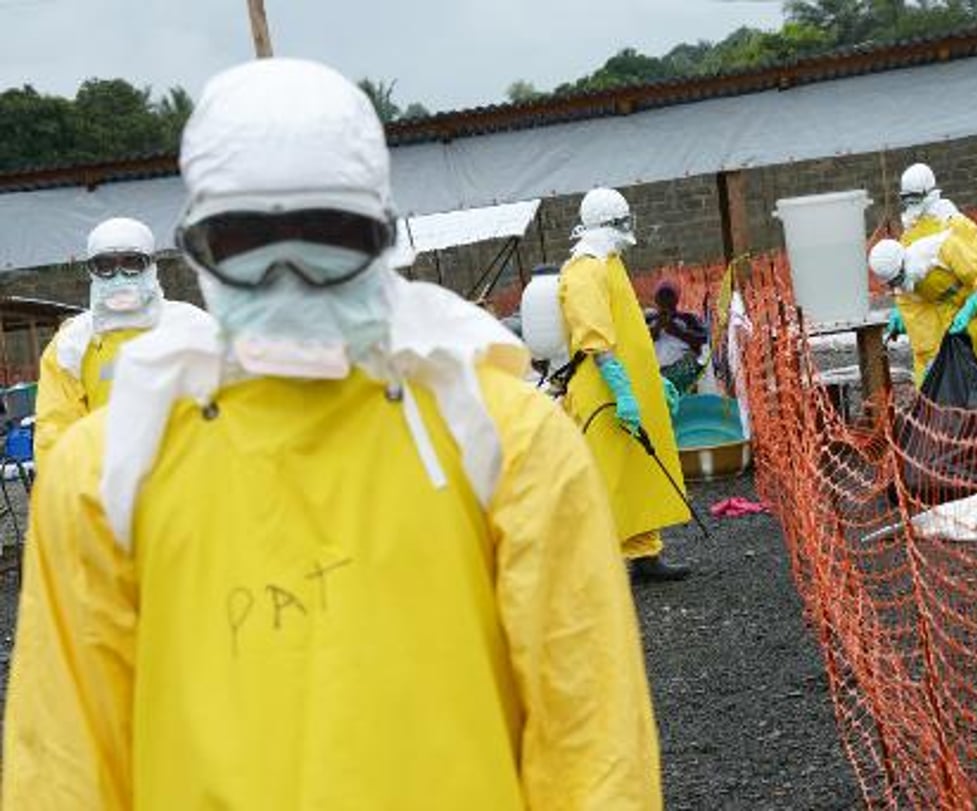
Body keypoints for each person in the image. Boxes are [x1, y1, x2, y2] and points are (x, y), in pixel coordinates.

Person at [3, 58, 661, 810]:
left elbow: (589, 740)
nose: (289, 276)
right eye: (247, 240)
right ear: (198, 251)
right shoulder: (107, 469)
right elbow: (62, 760)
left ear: (381, 235)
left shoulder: (504, 440)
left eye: (327, 236)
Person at [558, 187, 692, 583]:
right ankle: (599, 567)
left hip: (631, 388)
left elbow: (629, 329)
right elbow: (595, 340)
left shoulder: (609, 261)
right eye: (621, 223)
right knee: (607, 477)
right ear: (610, 225)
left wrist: (655, 382)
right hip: (604, 393)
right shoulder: (585, 270)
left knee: (635, 472)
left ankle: (645, 555)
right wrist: (622, 392)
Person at [32, 217, 210, 459]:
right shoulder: (71, 343)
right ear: (92, 271)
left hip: (191, 474)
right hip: (108, 483)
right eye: (105, 266)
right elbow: (55, 430)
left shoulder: (193, 326)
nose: (119, 276)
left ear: (151, 265)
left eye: (132, 263)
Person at [869, 230, 977, 436]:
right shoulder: (909, 286)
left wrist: (972, 304)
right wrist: (930, 356)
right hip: (968, 323)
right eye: (892, 283)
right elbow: (924, 324)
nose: (898, 285)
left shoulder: (947, 249)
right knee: (975, 383)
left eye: (899, 278)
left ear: (904, 261)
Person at [886, 162, 977, 385]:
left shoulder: (957, 227)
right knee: (931, 395)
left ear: (929, 193)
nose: (910, 204)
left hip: (961, 320)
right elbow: (905, 277)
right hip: (927, 331)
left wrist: (971, 306)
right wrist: (900, 309)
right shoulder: (910, 234)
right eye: (906, 198)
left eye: (914, 198)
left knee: (971, 389)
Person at [647, 280, 708, 395]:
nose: (665, 300)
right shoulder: (649, 319)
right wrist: (658, 327)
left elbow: (703, 339)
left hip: (684, 374)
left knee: (685, 403)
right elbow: (638, 343)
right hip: (657, 375)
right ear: (656, 299)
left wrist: (678, 332)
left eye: (669, 296)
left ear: (676, 299)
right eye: (662, 296)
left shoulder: (687, 319)